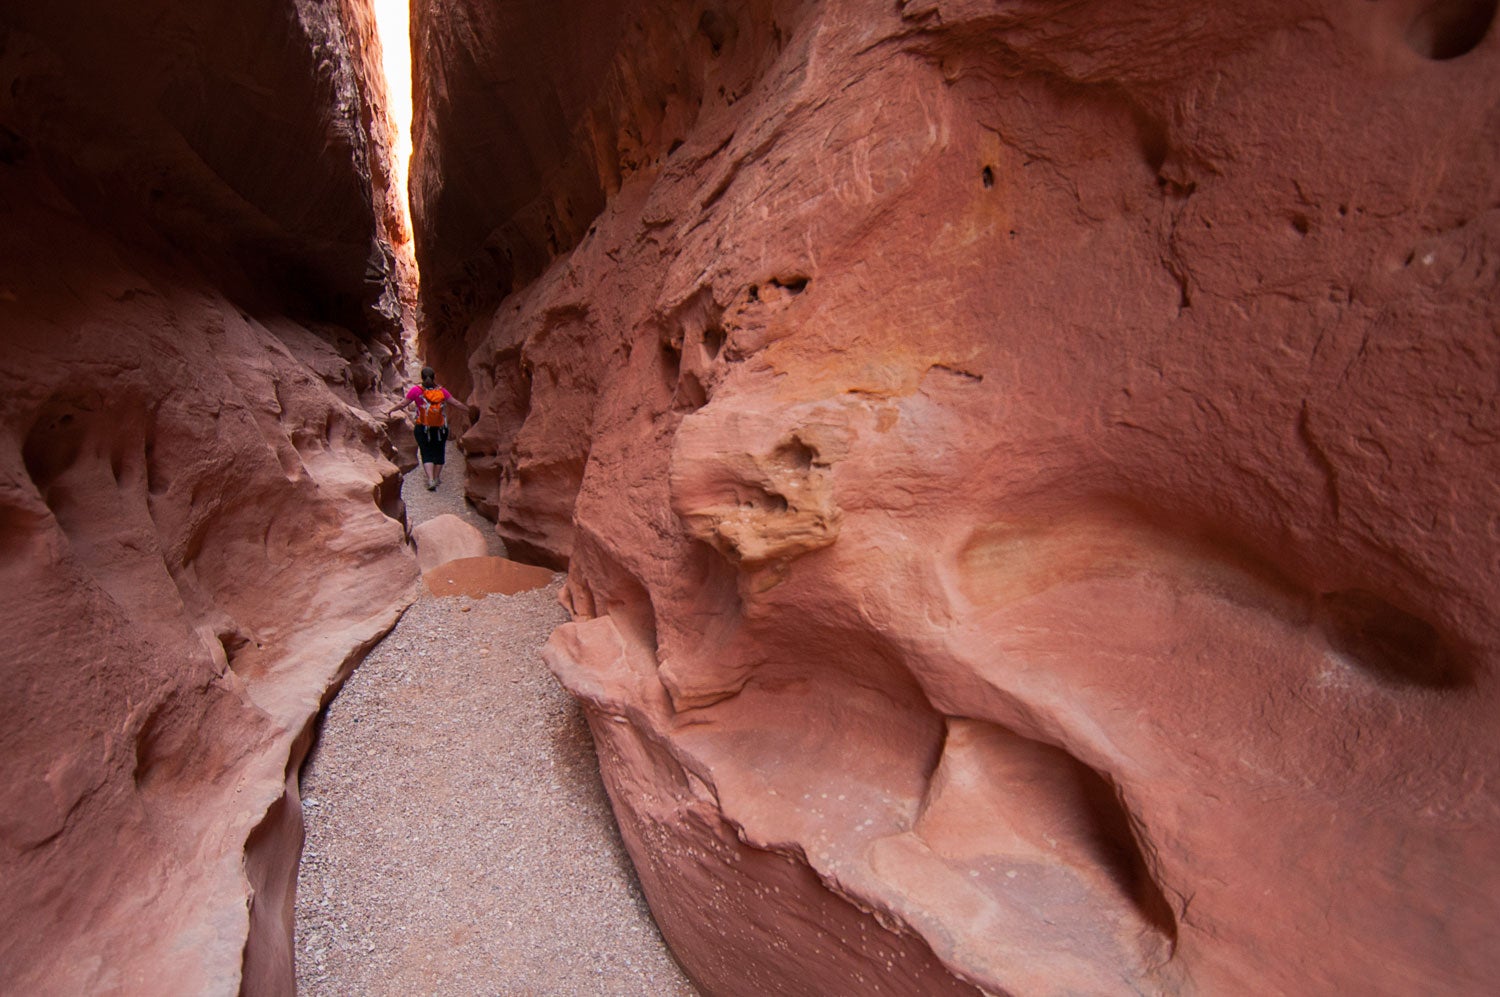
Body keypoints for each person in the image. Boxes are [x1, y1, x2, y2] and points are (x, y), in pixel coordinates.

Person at [387, 366, 455, 491]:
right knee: (439, 451)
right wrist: (468, 410)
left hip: (423, 427)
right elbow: (455, 402)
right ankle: (436, 477)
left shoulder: (416, 390)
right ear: (434, 377)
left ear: (421, 377)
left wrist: (391, 410)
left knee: (426, 452)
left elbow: (403, 403)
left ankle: (430, 480)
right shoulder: (442, 391)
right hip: (440, 428)